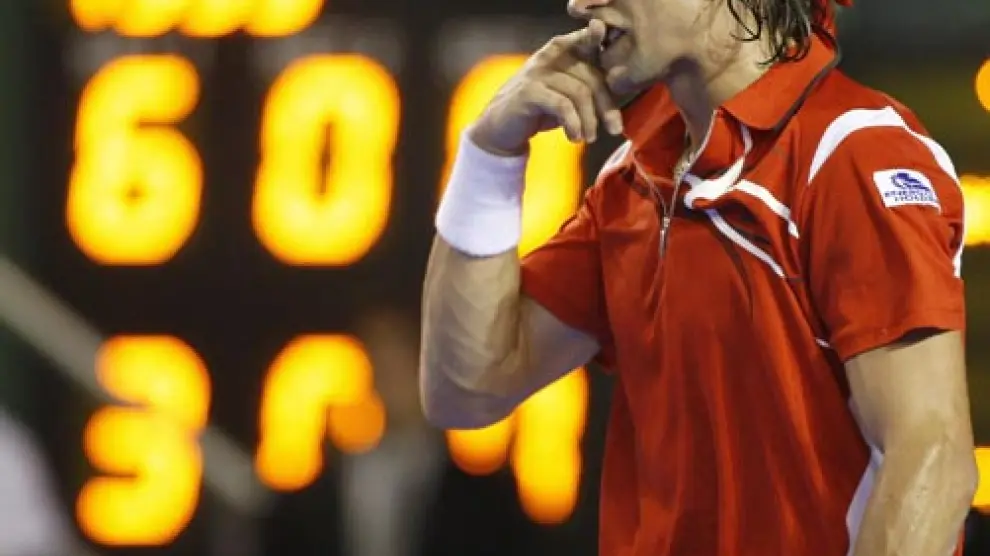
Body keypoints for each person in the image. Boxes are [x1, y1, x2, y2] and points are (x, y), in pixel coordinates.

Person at [420, 0, 978, 555]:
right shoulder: (632, 183)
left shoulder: (854, 153)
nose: (580, 4)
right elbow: (466, 390)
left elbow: (931, 457)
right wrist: (490, 154)